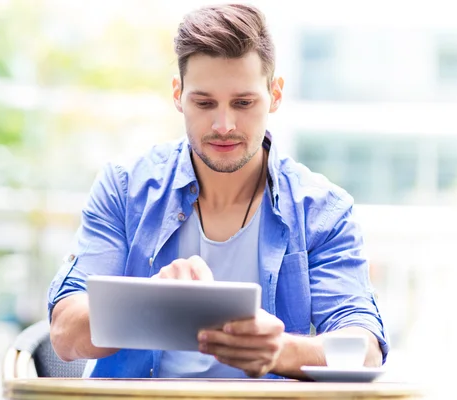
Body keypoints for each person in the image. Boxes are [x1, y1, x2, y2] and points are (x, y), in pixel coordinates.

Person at [48, 3, 388, 380]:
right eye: (204, 102)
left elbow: (366, 349)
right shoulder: (125, 189)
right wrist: (148, 301)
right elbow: (65, 333)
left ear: (275, 95)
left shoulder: (322, 210)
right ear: (178, 94)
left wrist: (281, 351)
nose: (223, 125)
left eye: (243, 103)